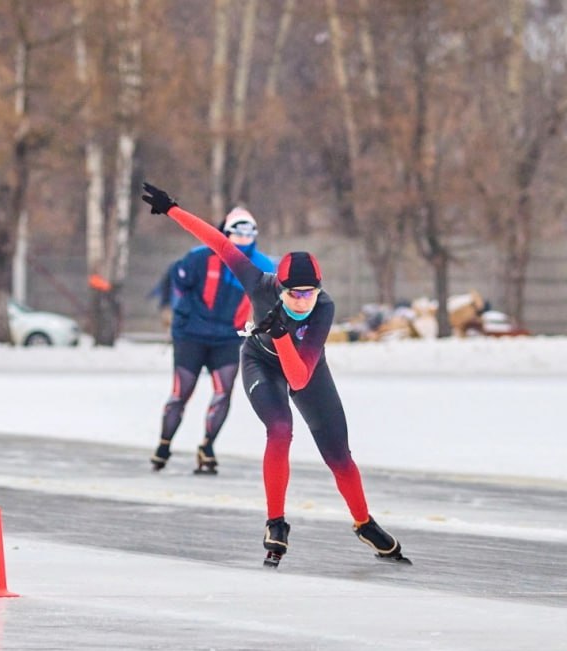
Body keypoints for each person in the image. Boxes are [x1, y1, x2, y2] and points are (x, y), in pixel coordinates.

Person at [140, 181, 409, 567]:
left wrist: (282, 333)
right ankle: (276, 522)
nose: (302, 300)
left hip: (305, 367)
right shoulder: (258, 282)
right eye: (293, 293)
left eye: (309, 292)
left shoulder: (324, 309)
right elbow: (220, 243)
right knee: (280, 429)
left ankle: (364, 522)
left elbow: (299, 379)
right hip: (260, 362)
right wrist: (173, 210)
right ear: (278, 287)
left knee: (339, 456)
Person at [151, 207, 275, 474]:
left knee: (223, 393)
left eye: (249, 231)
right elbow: (176, 284)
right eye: (237, 231)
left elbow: (278, 294)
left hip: (228, 339)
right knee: (181, 392)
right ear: (224, 232)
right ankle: (164, 444)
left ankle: (207, 447)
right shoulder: (199, 258)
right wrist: (176, 315)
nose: (243, 237)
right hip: (191, 336)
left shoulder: (262, 266)